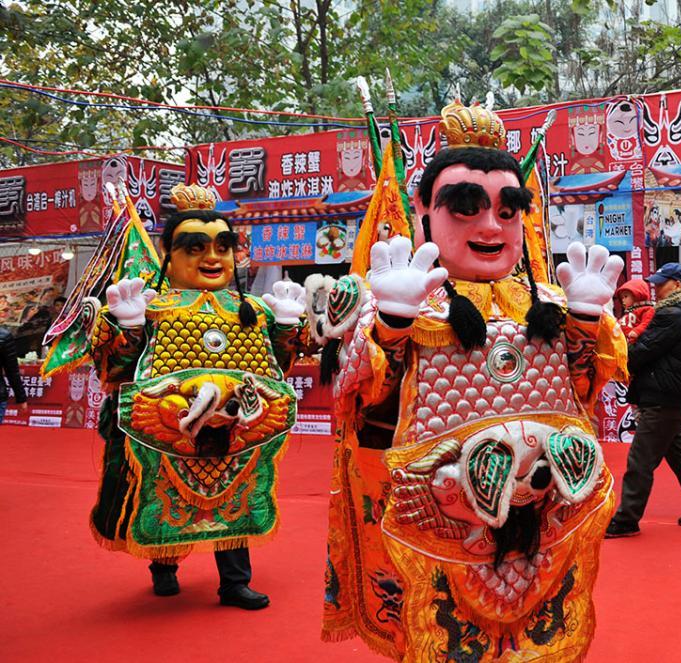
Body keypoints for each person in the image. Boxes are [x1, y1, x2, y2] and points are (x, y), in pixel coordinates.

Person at [321, 100, 627, 661]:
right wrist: (391, 325)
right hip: (440, 515)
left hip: (541, 510)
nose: (490, 226)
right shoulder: (399, 297)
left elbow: (583, 391)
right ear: (423, 210)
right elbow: (362, 405)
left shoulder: (551, 300)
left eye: (507, 211)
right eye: (466, 208)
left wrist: (585, 321)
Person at [88, 183, 307, 609]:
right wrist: (128, 329)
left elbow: (278, 368)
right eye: (195, 247)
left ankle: (234, 582)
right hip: (170, 430)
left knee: (238, 496)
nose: (212, 258)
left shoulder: (252, 308)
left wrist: (285, 326)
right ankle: (164, 565)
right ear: (168, 254)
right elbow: (115, 372)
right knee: (165, 496)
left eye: (223, 247)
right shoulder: (151, 305)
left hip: (238, 428)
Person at [606, 262, 681, 538]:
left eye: (662, 283)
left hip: (660, 395)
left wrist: (617, 357)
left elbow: (642, 351)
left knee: (640, 460)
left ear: (677, 285)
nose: (656, 288)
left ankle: (626, 519)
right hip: (669, 394)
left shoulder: (671, 314)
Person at [0, 326, 29, 423]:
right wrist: (21, 398)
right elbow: (12, 371)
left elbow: (12, 371)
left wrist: (21, 398)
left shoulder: (4, 336)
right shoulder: (4, 335)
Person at [616, 278, 655, 344]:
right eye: (622, 298)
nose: (623, 300)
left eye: (625, 296)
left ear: (637, 295)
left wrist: (637, 331)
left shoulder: (647, 309)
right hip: (622, 342)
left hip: (635, 343)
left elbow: (647, 322)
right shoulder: (628, 313)